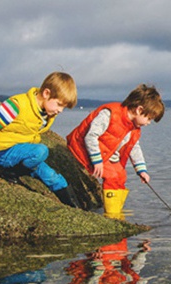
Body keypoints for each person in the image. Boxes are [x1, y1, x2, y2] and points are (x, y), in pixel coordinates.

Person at [0, 72, 80, 207]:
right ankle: (9, 173)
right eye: (59, 104)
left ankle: (76, 210)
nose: (60, 110)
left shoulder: (45, 113)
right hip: (2, 152)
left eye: (63, 107)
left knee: (54, 178)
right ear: (46, 93)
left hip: (21, 153)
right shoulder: (17, 105)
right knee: (41, 151)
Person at [66, 84, 164, 219]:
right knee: (112, 175)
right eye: (149, 118)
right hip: (83, 148)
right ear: (139, 110)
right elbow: (91, 136)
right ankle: (111, 215)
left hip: (107, 155)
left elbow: (134, 148)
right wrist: (97, 160)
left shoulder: (134, 128)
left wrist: (141, 170)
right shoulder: (110, 114)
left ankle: (116, 211)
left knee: (120, 175)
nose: (148, 123)